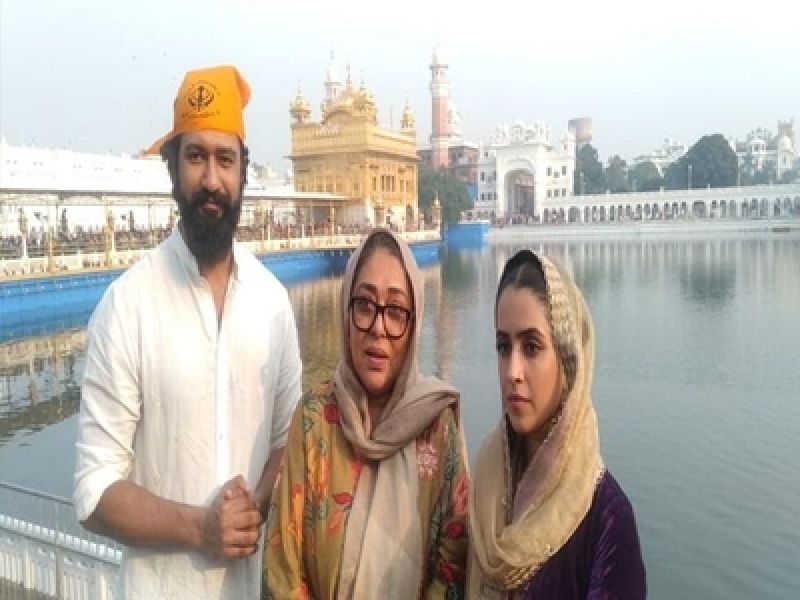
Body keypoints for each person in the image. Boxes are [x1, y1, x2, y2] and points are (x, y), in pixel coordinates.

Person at [73, 65, 302, 599]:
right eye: (195, 156)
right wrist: (201, 528)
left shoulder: (271, 302)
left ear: (245, 170)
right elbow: (93, 490)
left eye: (226, 159)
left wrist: (257, 505)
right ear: (171, 167)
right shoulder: (128, 306)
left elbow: (288, 442)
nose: (212, 180)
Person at [265, 229, 468, 599]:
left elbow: (452, 566)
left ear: (415, 321)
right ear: (346, 310)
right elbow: (284, 567)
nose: (378, 328)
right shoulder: (314, 419)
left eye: (395, 311)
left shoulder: (436, 428)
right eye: (364, 305)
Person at [467, 250, 646, 599]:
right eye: (504, 347)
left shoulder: (605, 520)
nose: (512, 372)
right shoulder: (488, 482)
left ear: (568, 361)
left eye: (531, 347)